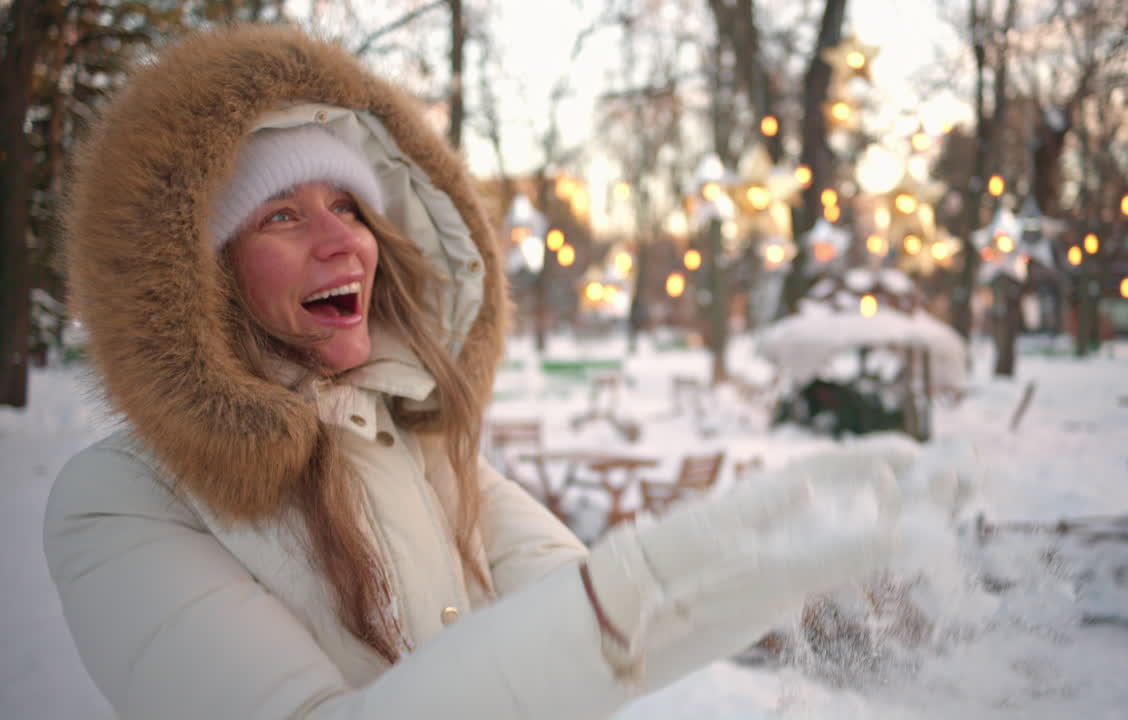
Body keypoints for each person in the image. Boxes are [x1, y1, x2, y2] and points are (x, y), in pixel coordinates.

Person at [45, 24, 905, 720]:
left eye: (349, 206)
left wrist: (766, 559)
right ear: (200, 278)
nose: (345, 239)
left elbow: (588, 620)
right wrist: (658, 579)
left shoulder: (418, 447)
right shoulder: (115, 503)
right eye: (282, 215)